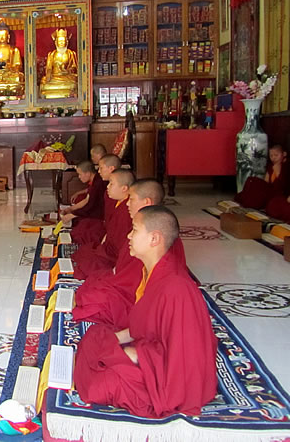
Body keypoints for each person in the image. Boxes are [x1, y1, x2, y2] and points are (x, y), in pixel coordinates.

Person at [74, 206, 217, 419]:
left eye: (134, 230)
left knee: (99, 385)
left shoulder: (177, 288)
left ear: (154, 239)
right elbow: (147, 324)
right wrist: (115, 340)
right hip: (148, 349)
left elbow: (185, 354)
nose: (128, 236)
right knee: (94, 338)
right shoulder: (152, 271)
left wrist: (137, 355)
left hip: (170, 377)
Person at [73, 179, 169, 329]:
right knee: (93, 282)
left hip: (137, 295)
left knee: (95, 298)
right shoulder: (141, 222)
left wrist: (115, 278)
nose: (127, 204)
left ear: (147, 201)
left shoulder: (157, 232)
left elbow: (137, 282)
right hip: (124, 275)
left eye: (131, 199)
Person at [73, 168, 134, 280]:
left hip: (114, 255)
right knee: (84, 252)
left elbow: (122, 244)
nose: (107, 187)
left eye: (111, 184)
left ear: (124, 188)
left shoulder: (127, 210)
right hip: (108, 245)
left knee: (87, 265)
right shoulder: (119, 202)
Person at [71, 154, 121, 246]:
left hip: (104, 224)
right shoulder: (103, 183)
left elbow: (94, 206)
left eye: (101, 168)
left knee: (83, 233)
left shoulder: (103, 184)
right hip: (104, 222)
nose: (98, 171)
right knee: (80, 230)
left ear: (111, 168)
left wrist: (73, 213)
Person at [236, 145, 288, 209]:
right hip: (270, 190)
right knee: (252, 181)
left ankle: (247, 201)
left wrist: (277, 172)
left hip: (279, 193)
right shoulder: (271, 166)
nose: (273, 158)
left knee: (253, 184)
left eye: (276, 155)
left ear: (284, 154)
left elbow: (283, 185)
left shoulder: (286, 166)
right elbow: (265, 182)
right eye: (271, 156)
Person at [60, 161, 106, 227]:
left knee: (81, 225)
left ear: (87, 173)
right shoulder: (95, 180)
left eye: (80, 174)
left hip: (99, 215)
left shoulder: (98, 183)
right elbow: (87, 200)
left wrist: (72, 215)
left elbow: (91, 206)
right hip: (94, 210)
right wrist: (70, 209)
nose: (79, 177)